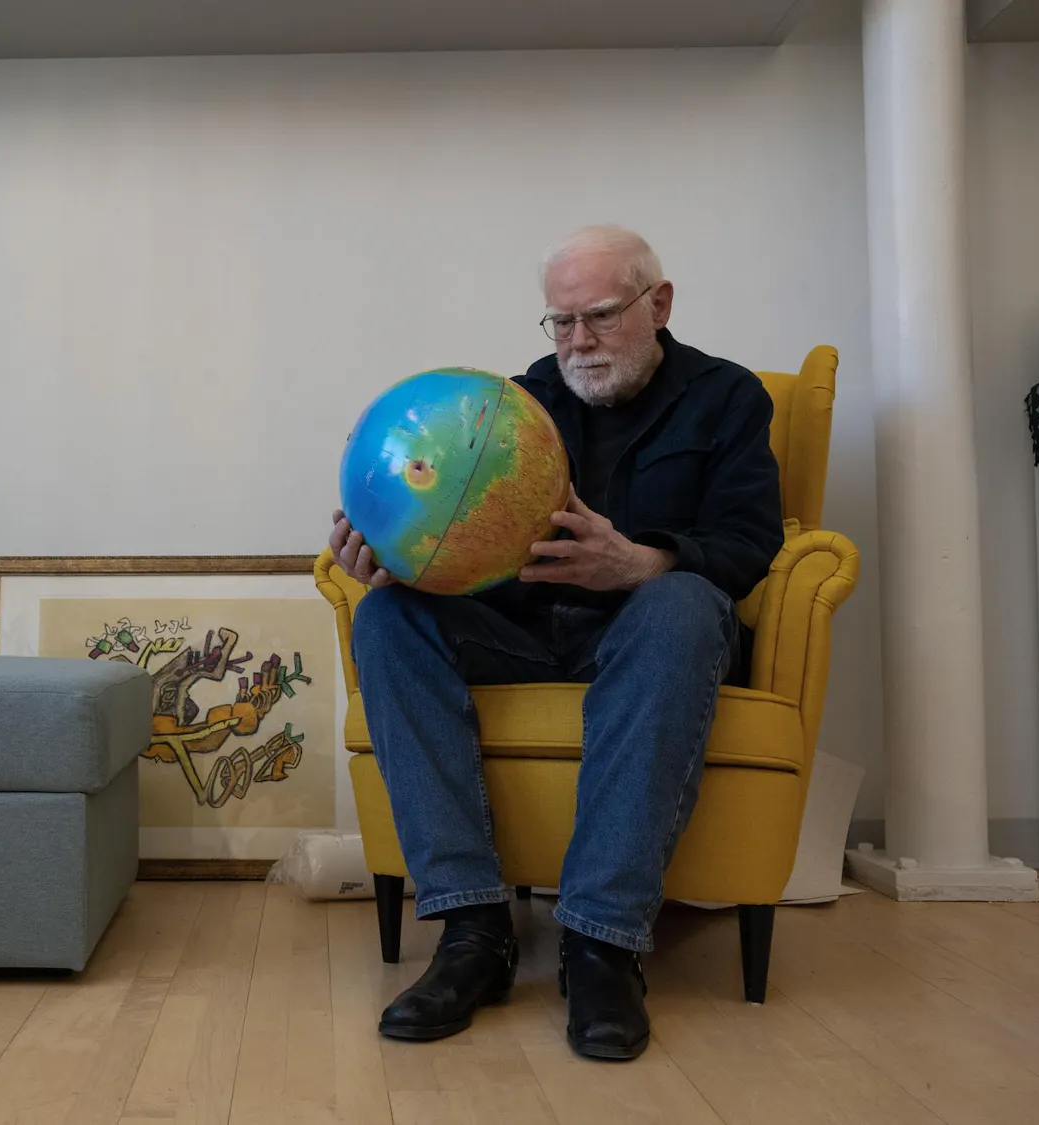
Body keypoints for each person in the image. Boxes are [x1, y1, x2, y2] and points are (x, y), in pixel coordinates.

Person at [327, 224, 785, 1061]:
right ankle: (473, 933)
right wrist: (396, 557)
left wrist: (636, 562)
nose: (578, 341)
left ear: (660, 304)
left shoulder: (728, 397)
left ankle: (602, 944)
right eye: (561, 321)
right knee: (388, 621)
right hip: (527, 631)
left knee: (682, 604)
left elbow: (752, 543)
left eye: (601, 316)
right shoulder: (506, 411)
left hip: (652, 639)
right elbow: (460, 543)